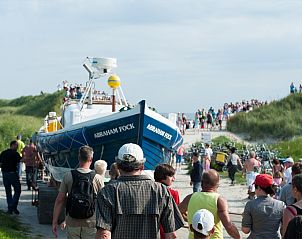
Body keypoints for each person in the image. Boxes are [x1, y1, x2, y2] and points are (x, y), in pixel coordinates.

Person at [95, 143, 184, 239]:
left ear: (118, 166)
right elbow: (171, 234)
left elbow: (104, 234)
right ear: (142, 166)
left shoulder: (107, 192)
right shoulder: (161, 191)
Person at [52, 146, 104, 239]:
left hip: (72, 221)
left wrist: (55, 221)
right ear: (91, 159)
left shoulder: (68, 176)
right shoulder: (97, 178)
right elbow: (103, 203)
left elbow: (60, 199)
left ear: (78, 158)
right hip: (91, 222)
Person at [179, 169, 241, 239]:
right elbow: (228, 225)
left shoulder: (190, 198)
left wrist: (187, 219)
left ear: (201, 183)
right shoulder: (219, 200)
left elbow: (178, 211)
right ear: (217, 185)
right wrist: (238, 237)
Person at [241, 174, 285, 239]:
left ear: (258, 188)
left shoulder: (250, 205)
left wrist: (245, 218)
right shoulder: (281, 204)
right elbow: (284, 227)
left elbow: (245, 230)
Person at [154, 164, 180, 239]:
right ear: (163, 177)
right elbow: (177, 213)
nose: (173, 179)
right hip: (167, 231)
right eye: (171, 176)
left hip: (150, 229)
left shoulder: (149, 190)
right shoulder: (173, 193)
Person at [0, 140, 22, 214]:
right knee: (18, 189)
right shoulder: (15, 153)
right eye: (16, 145)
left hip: (4, 173)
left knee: (8, 191)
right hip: (12, 174)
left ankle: (11, 208)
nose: (17, 147)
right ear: (12, 145)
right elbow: (21, 160)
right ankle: (13, 206)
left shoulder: (3, 153)